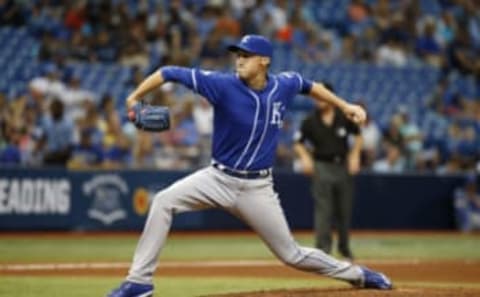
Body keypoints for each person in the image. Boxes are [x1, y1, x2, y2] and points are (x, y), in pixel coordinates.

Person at [107, 35, 392, 297]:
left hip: (257, 188)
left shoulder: (284, 84)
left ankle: (358, 275)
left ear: (264, 60)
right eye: (237, 54)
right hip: (216, 179)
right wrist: (134, 98)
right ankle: (139, 282)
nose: (239, 59)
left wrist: (344, 106)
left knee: (291, 255)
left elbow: (310, 86)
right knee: (163, 202)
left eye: (246, 54)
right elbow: (169, 72)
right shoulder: (221, 85)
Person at [293, 83, 362, 261]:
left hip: (343, 166)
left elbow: (358, 135)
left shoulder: (344, 116)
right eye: (316, 97)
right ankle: (323, 250)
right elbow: (298, 142)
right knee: (323, 209)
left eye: (321, 96)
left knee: (344, 209)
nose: (318, 100)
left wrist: (355, 155)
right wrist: (305, 158)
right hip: (321, 166)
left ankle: (344, 248)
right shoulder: (309, 120)